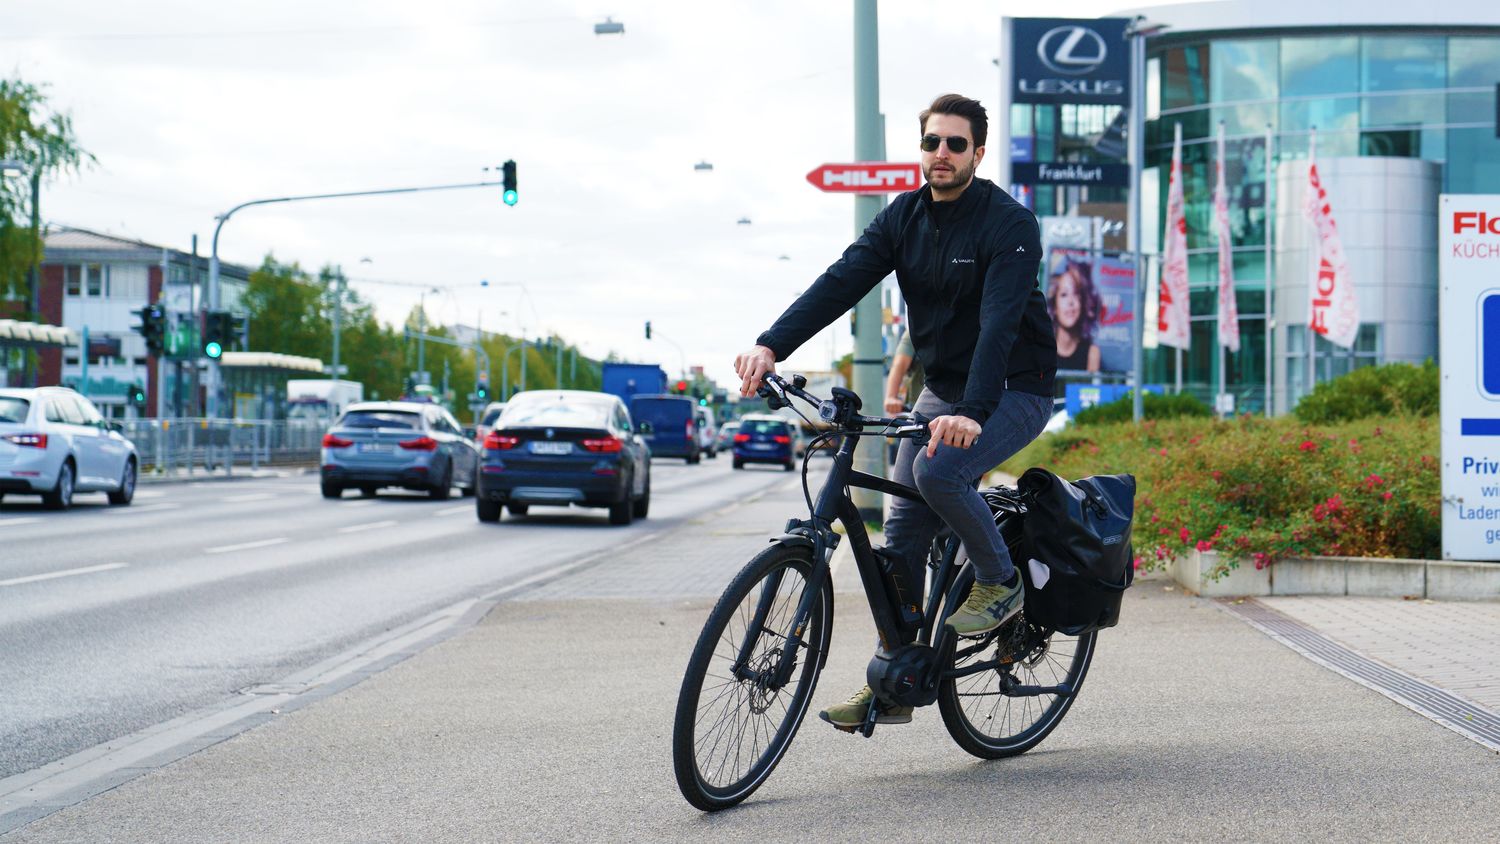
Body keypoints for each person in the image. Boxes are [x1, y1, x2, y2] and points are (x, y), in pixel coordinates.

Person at [733, 93, 1057, 729]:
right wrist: (770, 344)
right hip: (943, 386)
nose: (942, 154)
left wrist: (971, 411)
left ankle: (1000, 581)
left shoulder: (1009, 226)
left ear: (978, 153)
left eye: (956, 144)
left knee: (941, 474)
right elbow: (841, 280)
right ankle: (897, 681)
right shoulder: (902, 218)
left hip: (1014, 387)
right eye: (932, 142)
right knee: (902, 537)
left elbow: (997, 326)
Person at [1048, 258, 1102, 372]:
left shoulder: (1092, 353)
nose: (1070, 302)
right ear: (1054, 305)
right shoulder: (1042, 349)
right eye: (1064, 295)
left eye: (1076, 294)